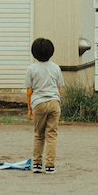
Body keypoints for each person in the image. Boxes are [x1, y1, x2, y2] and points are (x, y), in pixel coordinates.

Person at [24, 37, 63, 174]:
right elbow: (58, 88)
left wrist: (29, 109)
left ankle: (37, 164)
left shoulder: (31, 69)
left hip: (38, 103)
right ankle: (50, 165)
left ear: (34, 52)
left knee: (39, 135)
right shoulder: (56, 68)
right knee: (52, 135)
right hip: (54, 102)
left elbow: (29, 92)